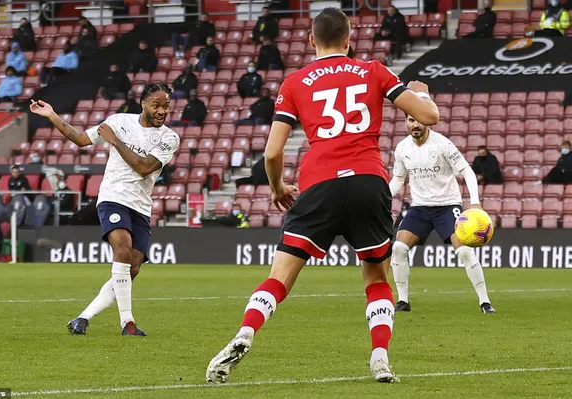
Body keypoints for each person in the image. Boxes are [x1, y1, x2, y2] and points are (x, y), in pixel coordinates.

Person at [206, 7, 440, 384]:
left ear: (311, 40)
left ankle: (246, 331)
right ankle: (380, 356)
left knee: (280, 276)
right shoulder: (374, 70)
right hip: (367, 179)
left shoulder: (295, 82)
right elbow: (428, 118)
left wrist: (279, 187)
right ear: (350, 39)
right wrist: (421, 94)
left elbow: (271, 152)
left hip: (319, 183)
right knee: (376, 275)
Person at [29, 83, 180, 336]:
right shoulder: (119, 121)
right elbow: (80, 139)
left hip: (141, 206)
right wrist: (52, 115)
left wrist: (116, 142)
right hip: (113, 197)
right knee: (121, 250)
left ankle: (83, 317)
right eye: (156, 105)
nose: (162, 111)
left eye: (166, 106)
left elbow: (144, 167)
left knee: (133, 267)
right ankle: (127, 323)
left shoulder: (169, 138)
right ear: (143, 103)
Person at [389, 114, 495, 314]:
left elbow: (467, 171)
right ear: (406, 122)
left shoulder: (443, 144)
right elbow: (398, 179)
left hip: (447, 206)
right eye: (411, 120)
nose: (416, 124)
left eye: (419, 120)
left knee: (464, 251)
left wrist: (475, 203)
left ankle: (485, 302)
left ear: (427, 121)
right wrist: (383, 197)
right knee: (399, 248)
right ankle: (403, 301)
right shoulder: (402, 148)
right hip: (420, 207)